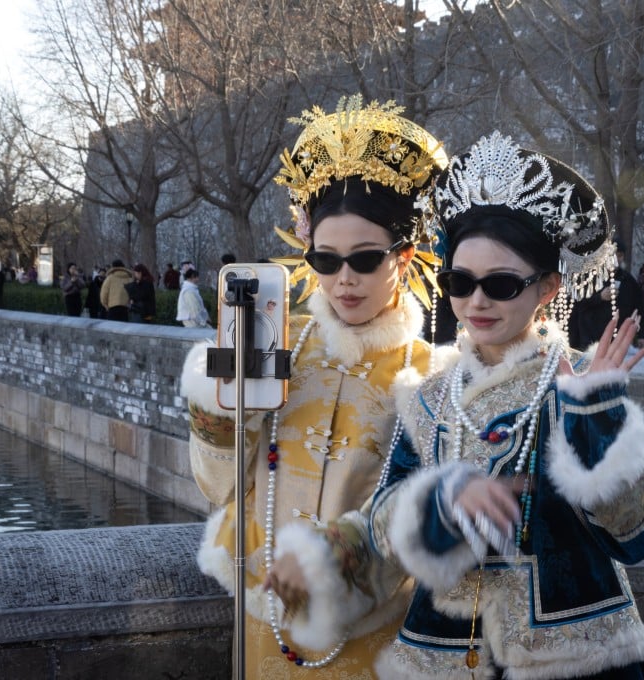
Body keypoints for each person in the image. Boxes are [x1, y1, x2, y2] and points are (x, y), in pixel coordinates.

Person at [269, 132, 644, 679]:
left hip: (575, 664)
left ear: (548, 287)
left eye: (501, 284)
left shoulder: (581, 381)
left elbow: (641, 535)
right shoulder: (433, 396)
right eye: (460, 282)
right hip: (446, 656)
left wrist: (597, 418)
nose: (477, 301)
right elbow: (384, 524)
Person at [180, 95, 447, 678]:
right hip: (261, 631)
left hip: (373, 640)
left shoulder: (434, 376)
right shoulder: (278, 346)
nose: (344, 280)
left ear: (404, 258)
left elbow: (427, 523)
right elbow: (217, 485)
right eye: (325, 260)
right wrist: (225, 411)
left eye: (366, 259)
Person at [567, 237, 644, 350]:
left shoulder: (628, 281)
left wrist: (642, 335)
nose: (615, 258)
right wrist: (599, 297)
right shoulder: (589, 277)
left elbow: (639, 310)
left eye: (619, 255)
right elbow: (575, 303)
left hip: (617, 342)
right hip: (589, 341)